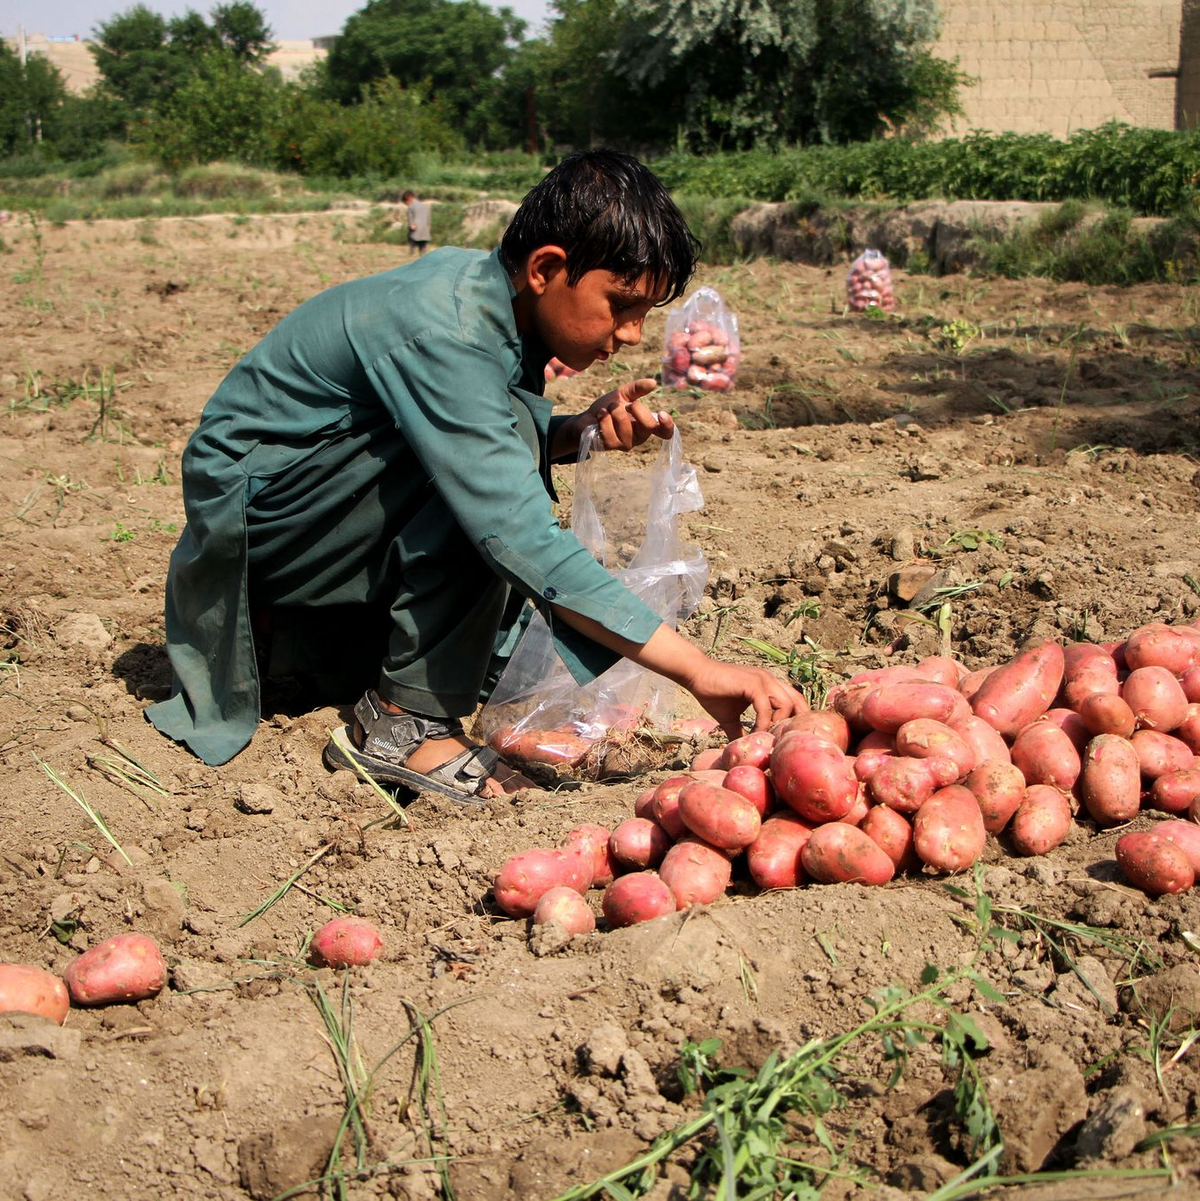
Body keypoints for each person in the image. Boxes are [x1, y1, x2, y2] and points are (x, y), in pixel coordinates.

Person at [147, 150, 805, 800]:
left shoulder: (491, 299)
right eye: (621, 305)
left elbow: (474, 428)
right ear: (547, 267)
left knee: (507, 454)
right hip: (265, 534)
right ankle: (403, 722)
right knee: (496, 496)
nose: (632, 334)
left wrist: (573, 432)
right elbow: (512, 523)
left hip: (309, 518)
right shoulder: (452, 331)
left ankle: (373, 658)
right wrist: (700, 669)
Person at [401, 189, 431, 255]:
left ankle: (411, 252)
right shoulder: (425, 206)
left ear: (408, 199)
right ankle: (422, 253)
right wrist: (429, 224)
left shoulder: (411, 207)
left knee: (412, 239)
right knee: (423, 242)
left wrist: (411, 224)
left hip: (416, 227)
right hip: (425, 227)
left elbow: (410, 217)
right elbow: (428, 216)